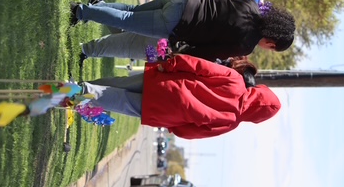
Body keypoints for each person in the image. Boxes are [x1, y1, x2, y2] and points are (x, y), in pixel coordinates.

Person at [71, 0, 296, 63]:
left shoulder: (251, 6)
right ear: (272, 43)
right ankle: (82, 12)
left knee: (131, 11)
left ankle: (95, 7)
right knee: (129, 21)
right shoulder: (246, 44)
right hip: (179, 24)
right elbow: (207, 52)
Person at [81, 54, 280, 139]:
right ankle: (83, 93)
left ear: (258, 91)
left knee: (121, 83)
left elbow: (200, 67)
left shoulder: (235, 80)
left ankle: (83, 88)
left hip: (168, 84)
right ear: (256, 119)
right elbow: (192, 133)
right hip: (167, 111)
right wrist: (173, 125)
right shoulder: (230, 123)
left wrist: (170, 65)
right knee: (121, 102)